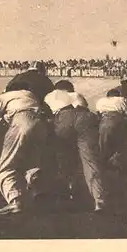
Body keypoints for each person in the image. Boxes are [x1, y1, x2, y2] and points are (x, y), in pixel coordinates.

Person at [0, 82, 50, 215]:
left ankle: (15, 202)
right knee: (32, 162)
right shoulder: (31, 95)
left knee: (6, 168)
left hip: (22, 122)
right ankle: (38, 192)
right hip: (41, 125)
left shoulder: (4, 96)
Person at [44, 81, 106, 212]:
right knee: (90, 161)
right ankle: (99, 200)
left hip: (63, 118)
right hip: (85, 118)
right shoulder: (78, 95)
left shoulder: (52, 95)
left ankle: (67, 191)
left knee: (63, 158)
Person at [95, 88, 127, 173]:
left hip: (105, 122)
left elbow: (98, 115)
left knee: (103, 146)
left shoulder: (100, 101)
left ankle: (104, 166)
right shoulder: (121, 99)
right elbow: (126, 113)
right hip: (119, 120)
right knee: (120, 145)